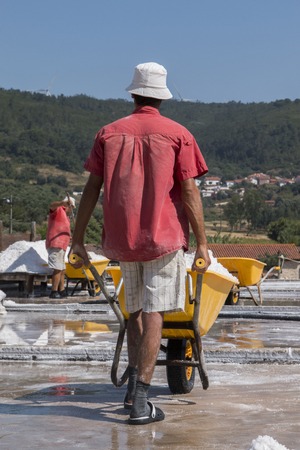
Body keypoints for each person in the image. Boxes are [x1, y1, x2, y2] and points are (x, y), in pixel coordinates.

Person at [69, 62, 211, 425]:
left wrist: (78, 238)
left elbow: (91, 188)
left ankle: (133, 386)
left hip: (122, 241)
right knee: (154, 316)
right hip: (163, 242)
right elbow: (190, 191)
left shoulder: (109, 133)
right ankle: (141, 403)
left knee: (134, 312)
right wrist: (202, 244)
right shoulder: (178, 134)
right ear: (162, 96)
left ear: (133, 93)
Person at [46, 196, 75, 299]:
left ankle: (61, 290)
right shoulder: (58, 210)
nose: (71, 210)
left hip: (62, 245)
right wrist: (62, 203)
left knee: (62, 269)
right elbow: (51, 205)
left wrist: (69, 237)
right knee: (57, 269)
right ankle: (53, 291)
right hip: (55, 243)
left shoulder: (66, 217)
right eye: (71, 207)